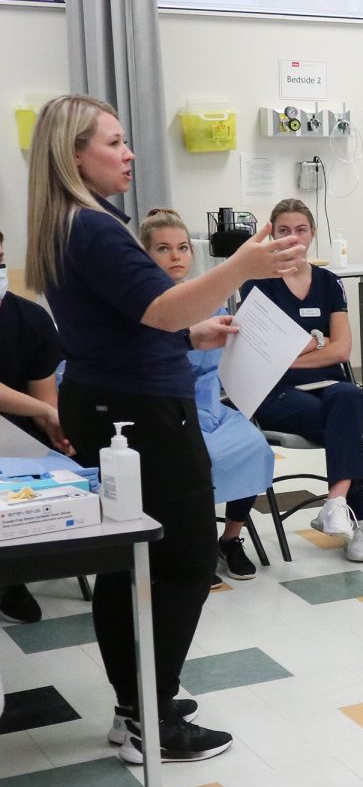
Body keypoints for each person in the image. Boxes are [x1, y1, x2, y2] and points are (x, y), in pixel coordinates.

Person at [25, 93, 305, 763]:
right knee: (181, 563)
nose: (129, 154)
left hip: (113, 396)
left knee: (134, 562)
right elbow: (154, 310)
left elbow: (124, 324)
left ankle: (136, 703)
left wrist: (191, 337)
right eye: (114, 143)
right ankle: (152, 716)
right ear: (74, 154)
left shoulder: (72, 222)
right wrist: (239, 267)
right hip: (142, 413)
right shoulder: (91, 227)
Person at [137, 208, 277, 581]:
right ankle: (187, 548)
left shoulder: (209, 301)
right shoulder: (140, 306)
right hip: (163, 411)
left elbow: (226, 362)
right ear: (145, 255)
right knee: (197, 460)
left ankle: (230, 539)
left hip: (211, 405)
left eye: (183, 248)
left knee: (254, 447)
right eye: (163, 249)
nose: (176, 256)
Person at [244, 198, 363, 562]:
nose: (292, 237)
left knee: (349, 398)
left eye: (300, 230)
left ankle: (335, 504)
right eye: (283, 230)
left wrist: (298, 350)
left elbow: (342, 352)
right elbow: (265, 355)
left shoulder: (329, 283)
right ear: (272, 235)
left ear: (312, 234)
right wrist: (318, 341)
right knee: (345, 425)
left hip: (330, 389)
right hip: (277, 393)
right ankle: (355, 520)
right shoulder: (258, 284)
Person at [0, 227, 68, 624]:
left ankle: (14, 574)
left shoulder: (31, 320)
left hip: (15, 443)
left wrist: (56, 431)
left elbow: (45, 400)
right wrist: (45, 413)